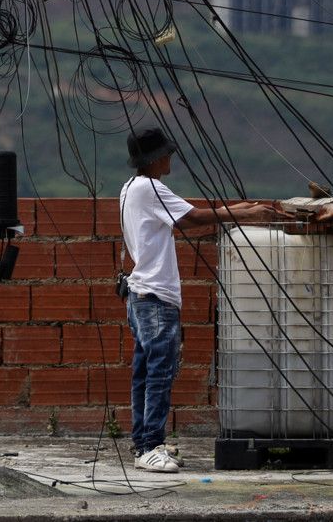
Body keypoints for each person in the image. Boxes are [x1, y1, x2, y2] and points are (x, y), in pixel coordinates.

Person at [118, 126, 283, 473]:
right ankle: (150, 445)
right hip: (155, 296)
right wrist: (244, 212)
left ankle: (145, 442)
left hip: (140, 294)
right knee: (159, 373)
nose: (170, 158)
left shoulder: (129, 188)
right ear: (154, 158)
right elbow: (193, 218)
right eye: (165, 154)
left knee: (145, 372)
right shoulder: (150, 188)